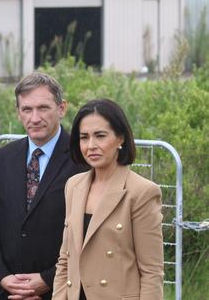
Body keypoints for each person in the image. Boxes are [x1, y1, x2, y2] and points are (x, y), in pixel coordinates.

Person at [0, 72, 88, 300]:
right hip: (10, 291)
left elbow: (91, 233)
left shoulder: (82, 160)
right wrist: (3, 279)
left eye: (43, 108)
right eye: (27, 109)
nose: (34, 118)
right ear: (18, 112)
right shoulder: (1, 159)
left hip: (64, 291)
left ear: (61, 108)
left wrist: (48, 280)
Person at [52, 98, 163, 299]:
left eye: (100, 136)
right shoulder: (73, 185)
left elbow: (151, 272)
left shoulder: (142, 192)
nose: (91, 145)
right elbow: (65, 260)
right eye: (84, 137)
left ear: (120, 138)